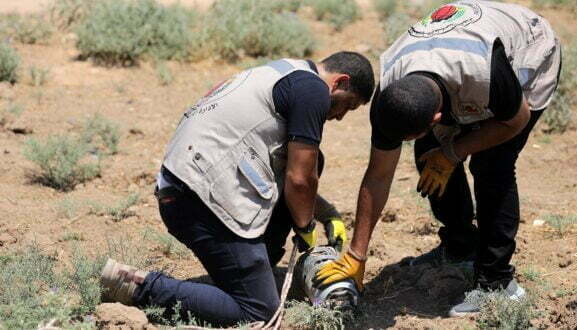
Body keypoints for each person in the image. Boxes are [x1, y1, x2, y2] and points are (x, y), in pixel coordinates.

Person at [316, 0, 562, 317]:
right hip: (455, 64)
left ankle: (497, 283)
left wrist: (453, 151)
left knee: (491, 166)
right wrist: (356, 254)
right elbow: (378, 175)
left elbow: (515, 120)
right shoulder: (391, 93)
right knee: (427, 156)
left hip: (527, 52)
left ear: (436, 118)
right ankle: (460, 247)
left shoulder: (486, 72)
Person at [99, 52, 375, 326]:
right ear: (340, 82)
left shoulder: (286, 71)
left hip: (186, 186)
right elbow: (299, 179)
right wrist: (306, 229)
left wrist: (327, 213)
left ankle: (254, 269)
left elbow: (292, 173)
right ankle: (138, 286)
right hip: (197, 198)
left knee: (314, 159)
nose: (339, 117)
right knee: (260, 312)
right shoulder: (313, 89)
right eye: (348, 106)